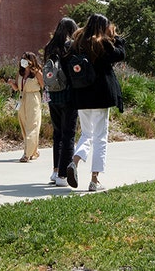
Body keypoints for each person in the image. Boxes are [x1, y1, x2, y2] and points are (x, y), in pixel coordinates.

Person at [67, 13, 126, 191]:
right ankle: (94, 180)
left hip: (82, 96)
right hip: (101, 96)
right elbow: (120, 55)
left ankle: (75, 162)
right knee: (100, 137)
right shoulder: (103, 43)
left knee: (86, 134)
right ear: (103, 27)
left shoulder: (77, 42)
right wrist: (117, 38)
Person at [43, 17, 79, 187]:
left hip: (52, 95)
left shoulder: (49, 47)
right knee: (68, 134)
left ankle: (56, 170)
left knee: (57, 134)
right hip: (68, 95)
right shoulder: (70, 47)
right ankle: (63, 176)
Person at [7, 51, 45, 163]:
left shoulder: (37, 73)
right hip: (22, 98)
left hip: (33, 98)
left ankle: (26, 154)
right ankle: (33, 151)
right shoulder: (20, 73)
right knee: (24, 125)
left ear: (31, 61)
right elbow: (17, 88)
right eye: (22, 58)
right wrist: (11, 83)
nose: (22, 60)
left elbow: (43, 86)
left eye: (25, 59)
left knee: (32, 125)